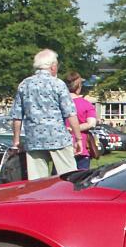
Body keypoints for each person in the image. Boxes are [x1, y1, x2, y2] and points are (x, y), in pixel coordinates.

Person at [10, 48, 81, 179]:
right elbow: (70, 113)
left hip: (34, 138)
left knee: (37, 182)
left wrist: (16, 141)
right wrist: (78, 138)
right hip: (58, 138)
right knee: (70, 178)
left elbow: (17, 116)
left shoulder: (24, 84)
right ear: (53, 66)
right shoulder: (58, 84)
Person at [65, 71, 98, 170]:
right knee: (81, 180)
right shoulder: (86, 104)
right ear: (79, 86)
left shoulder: (59, 103)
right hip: (82, 147)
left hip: (63, 147)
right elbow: (91, 123)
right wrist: (75, 128)